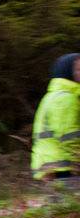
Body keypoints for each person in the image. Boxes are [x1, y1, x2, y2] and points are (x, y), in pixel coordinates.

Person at [33, 52, 80, 187]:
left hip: (54, 165)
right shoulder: (66, 99)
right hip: (64, 167)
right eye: (78, 69)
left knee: (61, 206)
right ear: (67, 73)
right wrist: (78, 163)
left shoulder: (53, 96)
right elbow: (69, 136)